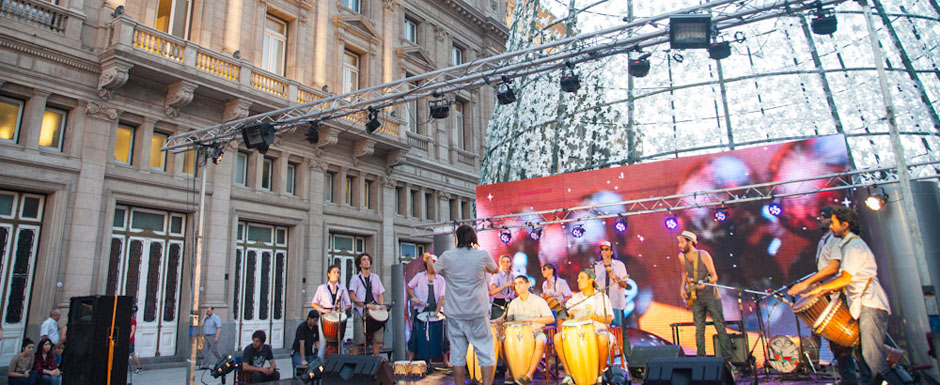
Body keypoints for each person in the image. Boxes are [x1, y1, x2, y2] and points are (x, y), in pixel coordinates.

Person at [805, 207, 891, 384]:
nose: (832, 226)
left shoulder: (853, 247)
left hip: (870, 303)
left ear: (845, 225)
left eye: (835, 222)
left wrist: (819, 289)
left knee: (872, 354)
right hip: (862, 303)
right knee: (864, 352)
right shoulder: (848, 245)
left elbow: (845, 277)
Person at [787, 206, 858, 384]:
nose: (820, 220)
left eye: (825, 217)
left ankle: (851, 378)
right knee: (832, 340)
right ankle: (843, 376)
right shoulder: (825, 240)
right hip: (827, 293)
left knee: (842, 341)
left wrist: (808, 284)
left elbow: (833, 268)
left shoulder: (836, 240)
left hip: (838, 295)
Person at [432, 224, 499, 385]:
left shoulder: (448, 256)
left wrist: (429, 258)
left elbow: (434, 268)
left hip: (455, 312)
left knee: (457, 355)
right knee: (485, 352)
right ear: (473, 238)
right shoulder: (482, 255)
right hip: (477, 312)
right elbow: (495, 269)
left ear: (457, 238)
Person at [678, 231, 731, 359]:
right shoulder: (681, 257)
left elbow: (714, 276)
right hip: (696, 298)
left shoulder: (703, 255)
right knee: (699, 328)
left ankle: (727, 359)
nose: (679, 245)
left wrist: (705, 284)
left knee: (719, 326)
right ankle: (701, 357)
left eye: (682, 242)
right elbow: (685, 273)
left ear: (690, 242)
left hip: (711, 297)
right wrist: (682, 288)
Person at [555, 269, 614, 385]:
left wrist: (592, 317)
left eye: (581, 278)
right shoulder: (574, 300)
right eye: (578, 278)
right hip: (576, 335)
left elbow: (609, 319)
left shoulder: (601, 297)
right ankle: (569, 375)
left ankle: (600, 375)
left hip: (598, 332)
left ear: (591, 280)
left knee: (603, 338)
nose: (578, 280)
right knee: (557, 338)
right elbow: (566, 322)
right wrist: (570, 315)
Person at [503, 276, 554, 385]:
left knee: (540, 341)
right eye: (516, 284)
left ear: (527, 284)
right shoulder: (513, 303)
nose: (518, 286)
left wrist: (532, 320)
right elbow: (508, 320)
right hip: (517, 335)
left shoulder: (538, 301)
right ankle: (513, 372)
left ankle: (528, 375)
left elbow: (550, 319)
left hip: (536, 332)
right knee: (500, 343)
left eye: (520, 283)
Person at [592, 241, 632, 359]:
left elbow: (624, 285)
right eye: (602, 250)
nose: (604, 252)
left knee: (620, 332)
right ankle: (606, 359)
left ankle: (628, 360)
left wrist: (615, 278)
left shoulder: (619, 265)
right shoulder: (596, 266)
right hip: (601, 305)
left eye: (606, 249)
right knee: (603, 333)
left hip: (616, 304)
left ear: (611, 251)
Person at [407, 253, 446, 360]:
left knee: (442, 335)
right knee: (415, 334)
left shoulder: (441, 279)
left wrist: (437, 312)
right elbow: (409, 287)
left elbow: (442, 297)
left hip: (436, 310)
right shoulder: (420, 276)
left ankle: (445, 360)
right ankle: (410, 360)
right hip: (421, 309)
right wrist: (414, 297)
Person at [348, 253, 386, 356]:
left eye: (368, 259)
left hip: (374, 309)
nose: (367, 261)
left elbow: (380, 294)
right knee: (359, 341)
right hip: (361, 311)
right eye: (364, 260)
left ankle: (376, 363)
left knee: (377, 340)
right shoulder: (355, 278)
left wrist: (381, 304)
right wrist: (364, 305)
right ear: (360, 264)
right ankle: (354, 364)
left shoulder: (375, 277)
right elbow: (352, 296)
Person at [311, 265, 352, 360]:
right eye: (334, 272)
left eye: (338, 272)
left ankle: (340, 364)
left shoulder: (342, 288)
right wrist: (324, 310)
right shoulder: (322, 288)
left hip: (337, 316)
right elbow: (314, 303)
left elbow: (348, 304)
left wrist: (342, 309)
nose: (336, 274)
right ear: (328, 274)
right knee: (323, 343)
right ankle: (320, 365)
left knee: (340, 343)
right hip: (325, 316)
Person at [292, 310, 320, 374]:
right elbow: (302, 344)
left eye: (317, 320)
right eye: (314, 320)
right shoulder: (302, 327)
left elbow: (317, 343)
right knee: (300, 371)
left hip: (309, 352)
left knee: (311, 370)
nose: (315, 322)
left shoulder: (315, 328)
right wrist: (303, 360)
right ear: (309, 318)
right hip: (298, 352)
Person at [489, 254, 515, 319]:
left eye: (507, 262)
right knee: (498, 326)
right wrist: (506, 285)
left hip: (510, 303)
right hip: (498, 304)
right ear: (500, 263)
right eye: (503, 262)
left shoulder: (513, 275)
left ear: (510, 263)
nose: (505, 264)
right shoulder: (497, 275)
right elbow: (492, 292)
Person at [129, 304, 143, 374]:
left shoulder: (133, 320)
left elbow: (132, 331)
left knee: (132, 354)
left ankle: (139, 368)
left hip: (130, 341)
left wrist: (129, 338)